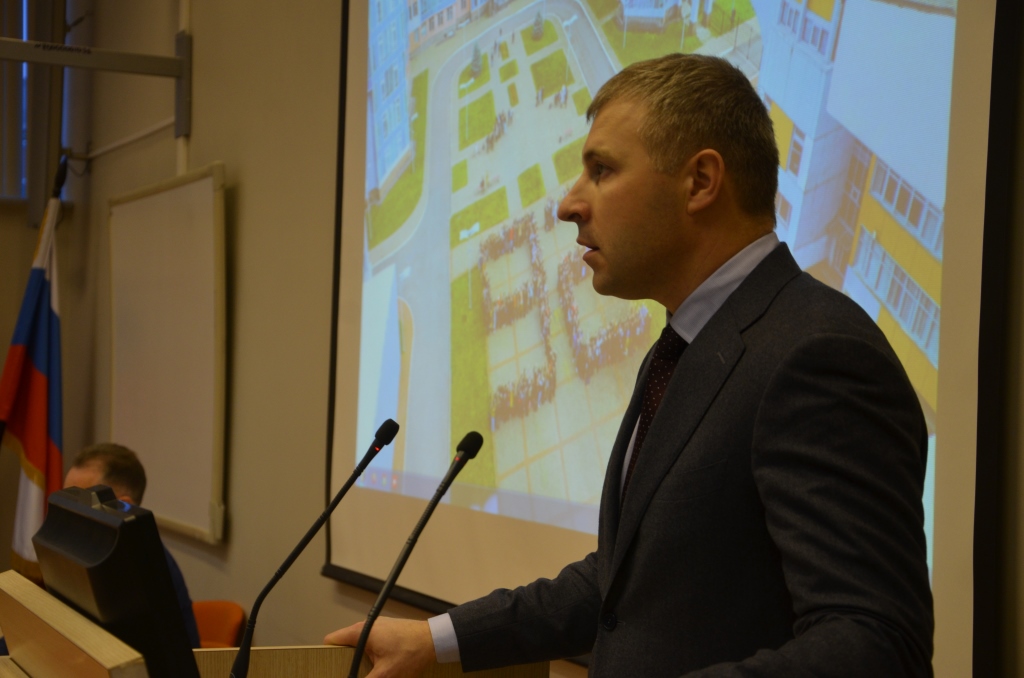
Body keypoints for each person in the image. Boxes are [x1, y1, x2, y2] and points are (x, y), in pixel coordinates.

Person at [325, 54, 933, 676]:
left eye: (602, 171)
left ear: (700, 182)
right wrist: (438, 641)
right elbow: (627, 583)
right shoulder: (684, 346)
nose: (568, 203)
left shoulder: (818, 356)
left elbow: (876, 645)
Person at [63, 443, 202, 649]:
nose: (67, 513)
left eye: (79, 502)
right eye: (65, 499)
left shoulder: (144, 567)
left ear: (123, 507)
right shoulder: (86, 550)